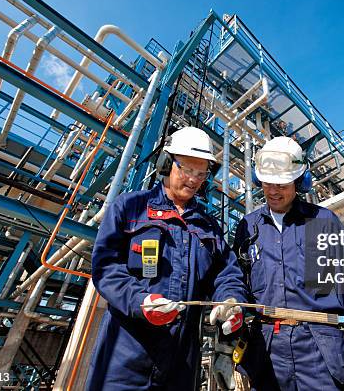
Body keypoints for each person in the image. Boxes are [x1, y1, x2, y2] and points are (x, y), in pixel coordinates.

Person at [87, 126, 247, 390]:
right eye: (186, 169)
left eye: (201, 173)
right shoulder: (130, 208)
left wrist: (232, 301)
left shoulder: (209, 228)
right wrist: (139, 301)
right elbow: (106, 267)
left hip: (181, 362)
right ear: (166, 163)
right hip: (125, 356)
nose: (194, 180)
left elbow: (227, 274)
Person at [233, 136, 344, 391]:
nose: (272, 191)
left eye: (281, 184)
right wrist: (231, 342)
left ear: (299, 182)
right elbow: (237, 284)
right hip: (266, 350)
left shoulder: (323, 221)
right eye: (267, 183)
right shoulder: (248, 227)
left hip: (320, 348)